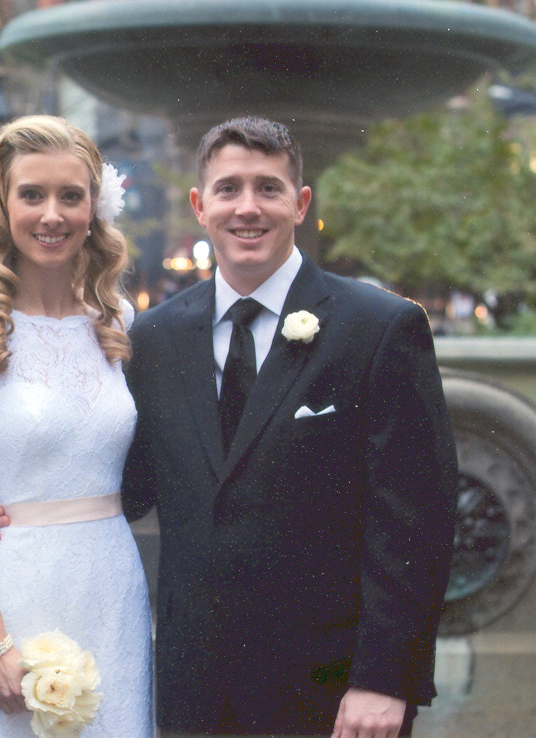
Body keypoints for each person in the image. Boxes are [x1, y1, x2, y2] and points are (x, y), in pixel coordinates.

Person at [121, 117, 458, 737]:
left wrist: (385, 679)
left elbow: (417, 519)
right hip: (194, 686)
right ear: (200, 205)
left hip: (333, 692)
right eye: (228, 189)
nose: (248, 207)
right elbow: (129, 485)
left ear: (300, 204)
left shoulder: (379, 328)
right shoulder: (156, 338)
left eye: (268, 188)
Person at [0, 115, 154, 737]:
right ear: (2, 206)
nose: (52, 214)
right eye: (32, 195)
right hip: (10, 595)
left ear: (94, 208)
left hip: (111, 586)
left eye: (70, 196)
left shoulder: (118, 321)